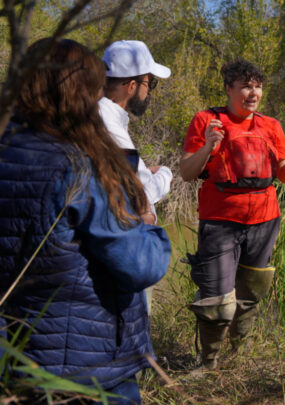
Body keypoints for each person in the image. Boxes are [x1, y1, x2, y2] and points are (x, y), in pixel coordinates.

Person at [0, 38, 170, 404]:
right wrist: (147, 218)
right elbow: (142, 263)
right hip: (91, 366)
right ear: (77, 92)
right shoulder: (79, 167)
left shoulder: (7, 147)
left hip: (17, 357)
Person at [179, 58, 285, 368]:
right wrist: (208, 146)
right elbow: (186, 172)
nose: (253, 93)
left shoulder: (271, 125)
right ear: (229, 89)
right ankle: (208, 364)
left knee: (251, 292)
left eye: (258, 87)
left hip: (265, 219)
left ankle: (238, 356)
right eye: (246, 87)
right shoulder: (206, 120)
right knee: (215, 296)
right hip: (220, 219)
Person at [99, 40, 172, 313]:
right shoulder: (105, 118)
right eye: (149, 83)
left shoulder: (103, 114)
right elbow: (143, 192)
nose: (149, 91)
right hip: (119, 247)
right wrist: (164, 174)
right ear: (132, 85)